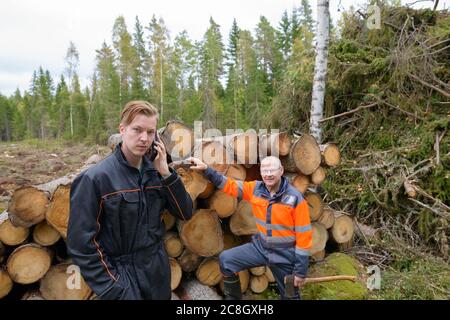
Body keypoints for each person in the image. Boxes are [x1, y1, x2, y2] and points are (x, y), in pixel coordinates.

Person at [67, 101, 193, 300]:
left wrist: (166, 173)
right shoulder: (96, 179)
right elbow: (81, 244)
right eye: (137, 130)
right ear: (122, 129)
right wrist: (114, 288)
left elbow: (185, 212)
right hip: (122, 276)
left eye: (151, 132)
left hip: (157, 273)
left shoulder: (157, 172)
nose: (144, 138)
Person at [188, 155, 312, 299]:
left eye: (273, 170)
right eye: (265, 170)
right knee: (226, 260)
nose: (269, 174)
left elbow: (304, 237)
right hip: (261, 248)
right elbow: (229, 185)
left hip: (285, 257)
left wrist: (300, 271)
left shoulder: (295, 199)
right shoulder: (255, 189)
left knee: (290, 295)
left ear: (281, 170)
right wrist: (207, 170)